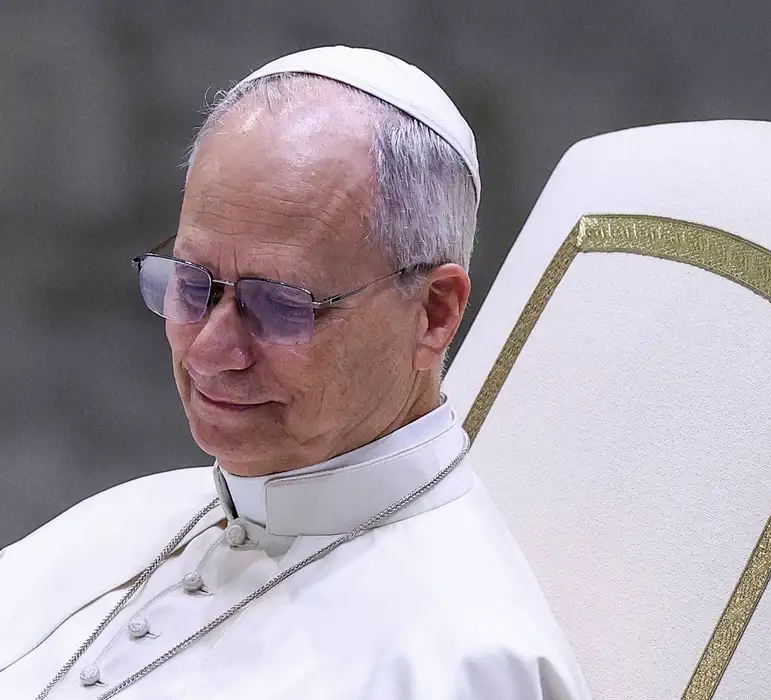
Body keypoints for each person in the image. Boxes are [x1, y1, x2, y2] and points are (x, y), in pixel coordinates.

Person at [0, 46, 591, 700]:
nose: (210, 352)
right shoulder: (121, 521)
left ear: (434, 312)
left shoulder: (464, 663)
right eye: (192, 283)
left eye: (279, 304)